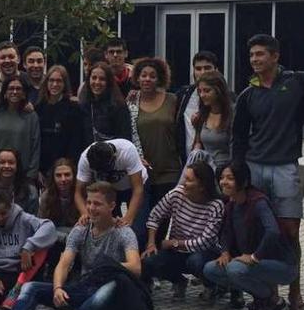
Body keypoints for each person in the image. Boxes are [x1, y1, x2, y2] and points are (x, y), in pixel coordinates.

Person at [0, 182, 151, 310]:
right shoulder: (81, 230)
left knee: (112, 283)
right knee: (31, 287)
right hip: (84, 288)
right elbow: (64, 264)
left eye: (97, 204)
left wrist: (106, 268)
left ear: (112, 206)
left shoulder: (123, 233)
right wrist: (57, 288)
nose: (91, 208)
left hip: (113, 297)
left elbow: (135, 267)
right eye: (88, 202)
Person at [232, 34, 304, 310]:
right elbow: (239, 136)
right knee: (262, 232)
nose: (255, 59)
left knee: (290, 232)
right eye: (252, 54)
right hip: (255, 167)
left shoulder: (298, 82)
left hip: (286, 167)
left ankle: (296, 292)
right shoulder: (248, 94)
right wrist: (238, 171)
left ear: (275, 56)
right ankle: (270, 293)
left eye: (260, 54)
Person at [204, 162, 297, 310]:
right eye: (221, 178)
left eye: (230, 178)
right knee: (211, 269)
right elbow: (226, 232)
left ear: (243, 181)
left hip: (282, 265)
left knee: (235, 269)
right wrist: (225, 252)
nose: (223, 182)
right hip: (253, 262)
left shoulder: (258, 201)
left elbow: (273, 231)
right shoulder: (231, 204)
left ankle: (274, 301)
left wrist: (254, 257)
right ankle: (260, 299)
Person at [141, 161, 224, 301]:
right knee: (149, 260)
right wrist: (151, 243)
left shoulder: (216, 205)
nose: (184, 183)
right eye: (185, 178)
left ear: (202, 186)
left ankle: (211, 285)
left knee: (196, 261)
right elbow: (155, 216)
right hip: (177, 252)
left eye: (189, 180)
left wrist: (175, 243)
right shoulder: (177, 194)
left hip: (202, 253)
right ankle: (178, 281)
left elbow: (205, 242)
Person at [128, 57, 182, 243]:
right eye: (143, 75)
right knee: (141, 224)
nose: (147, 79)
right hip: (143, 172)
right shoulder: (132, 102)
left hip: (170, 169)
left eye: (152, 76)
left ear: (159, 78)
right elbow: (128, 134)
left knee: (163, 220)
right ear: (137, 78)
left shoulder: (173, 100)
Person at [75, 139, 148, 245]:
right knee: (105, 230)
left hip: (135, 187)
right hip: (110, 191)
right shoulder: (84, 159)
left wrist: (128, 218)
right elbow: (78, 193)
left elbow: (138, 189)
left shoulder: (127, 150)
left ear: (114, 157)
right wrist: (85, 213)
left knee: (137, 231)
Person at [0, 75, 41, 181]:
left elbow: (35, 146)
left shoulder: (31, 117)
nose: (14, 92)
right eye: (11, 88)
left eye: (18, 89)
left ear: (24, 94)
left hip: (24, 175)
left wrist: (32, 174)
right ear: (5, 93)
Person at [35, 65, 84, 175]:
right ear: (46, 82)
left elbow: (76, 142)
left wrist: (69, 167)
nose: (55, 84)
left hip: (65, 170)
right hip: (42, 169)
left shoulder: (73, 108)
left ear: (64, 84)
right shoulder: (38, 108)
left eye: (59, 81)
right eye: (51, 80)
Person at [175, 51, 220, 162]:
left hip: (216, 162)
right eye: (198, 69)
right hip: (187, 162)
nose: (203, 72)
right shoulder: (183, 94)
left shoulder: (227, 99)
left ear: (216, 70)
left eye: (207, 68)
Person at [79, 62, 132, 145]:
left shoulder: (119, 107)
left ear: (109, 82)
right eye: (94, 78)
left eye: (102, 79)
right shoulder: (83, 105)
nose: (97, 82)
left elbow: (125, 139)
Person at [191, 71, 234, 170]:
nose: (202, 95)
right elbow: (198, 143)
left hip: (227, 171)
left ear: (218, 90)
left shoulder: (232, 115)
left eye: (207, 91)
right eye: (200, 91)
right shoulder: (201, 116)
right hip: (206, 172)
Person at [0, 149, 39, 216]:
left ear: (17, 165)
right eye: (2, 162)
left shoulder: (31, 192)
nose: (6, 166)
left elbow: (33, 221)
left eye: (11, 162)